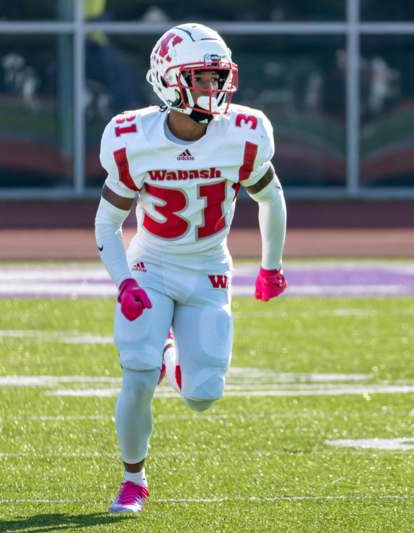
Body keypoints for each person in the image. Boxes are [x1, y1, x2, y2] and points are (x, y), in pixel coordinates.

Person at [94, 22, 288, 514]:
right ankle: (133, 478)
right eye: (201, 78)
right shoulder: (130, 136)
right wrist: (125, 284)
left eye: (218, 78)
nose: (213, 89)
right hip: (152, 264)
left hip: (208, 271)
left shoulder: (242, 133)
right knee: (137, 376)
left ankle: (169, 354)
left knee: (203, 397)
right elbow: (107, 222)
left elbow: (272, 197)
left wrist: (270, 267)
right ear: (168, 80)